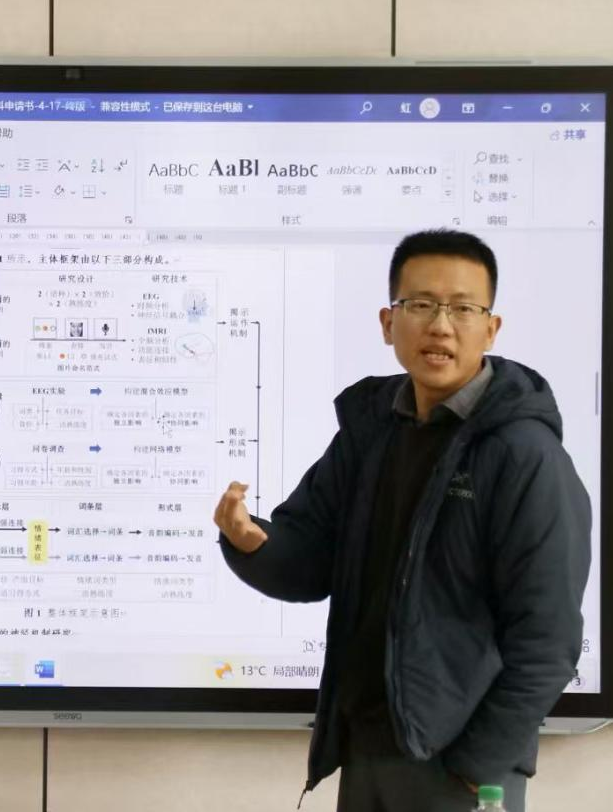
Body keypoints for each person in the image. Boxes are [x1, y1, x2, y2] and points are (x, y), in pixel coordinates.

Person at [214, 229, 591, 812]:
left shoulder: (525, 456)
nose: (440, 326)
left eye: (463, 308)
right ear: (389, 323)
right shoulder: (371, 432)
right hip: (367, 747)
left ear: (491, 329)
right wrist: (251, 542)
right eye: (421, 305)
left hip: (459, 768)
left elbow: (549, 641)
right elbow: (312, 559)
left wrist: (478, 765)